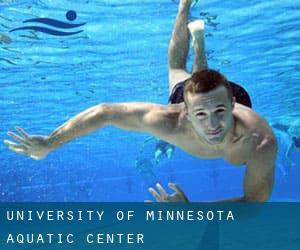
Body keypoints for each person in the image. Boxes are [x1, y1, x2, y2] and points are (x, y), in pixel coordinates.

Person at [4, 0, 277, 202]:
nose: (214, 124)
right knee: (178, 71)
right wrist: (50, 142)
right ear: (184, 110)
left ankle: (199, 43)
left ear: (232, 105)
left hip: (224, 99)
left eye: (220, 111)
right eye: (201, 115)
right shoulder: (170, 120)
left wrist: (193, 211)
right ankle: (185, 6)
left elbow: (254, 204)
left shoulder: (260, 140)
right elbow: (105, 112)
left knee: (185, 74)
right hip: (202, 96)